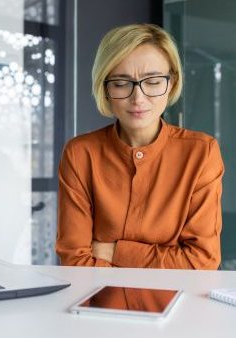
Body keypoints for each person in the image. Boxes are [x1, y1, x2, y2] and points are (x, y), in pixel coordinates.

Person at [55, 24, 224, 269]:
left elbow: (200, 261)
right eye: (122, 83)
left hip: (176, 303)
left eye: (153, 82)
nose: (138, 99)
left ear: (172, 83)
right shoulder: (80, 154)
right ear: (105, 88)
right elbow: (75, 259)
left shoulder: (201, 152)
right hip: (99, 303)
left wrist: (113, 252)